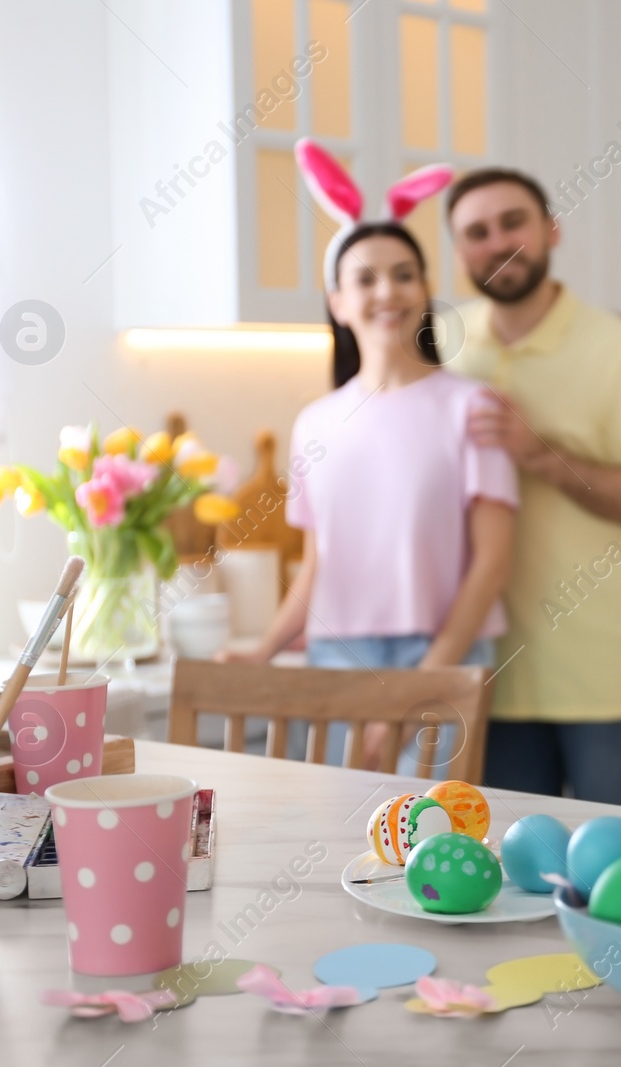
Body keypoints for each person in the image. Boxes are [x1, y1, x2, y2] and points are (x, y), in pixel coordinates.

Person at [226, 140, 517, 778]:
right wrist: (267, 648)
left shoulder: (472, 406)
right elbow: (319, 563)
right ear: (337, 302)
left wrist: (422, 688)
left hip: (445, 650)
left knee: (430, 838)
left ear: (424, 289)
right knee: (339, 827)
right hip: (338, 655)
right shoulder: (315, 423)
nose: (388, 290)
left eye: (404, 273)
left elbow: (492, 563)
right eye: (366, 277)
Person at [441, 166, 621, 807]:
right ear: (460, 251)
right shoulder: (443, 345)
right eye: (477, 232)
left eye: (513, 222)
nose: (498, 242)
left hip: (603, 676)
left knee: (608, 881)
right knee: (520, 874)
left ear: (551, 229)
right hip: (491, 669)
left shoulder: (618, 349)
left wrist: (541, 454)